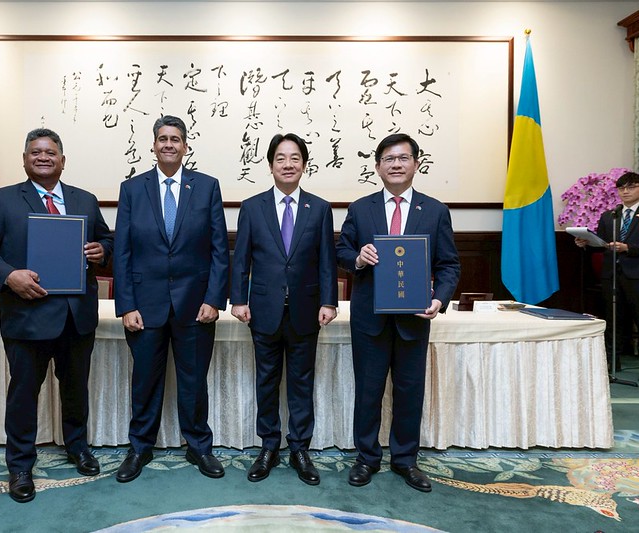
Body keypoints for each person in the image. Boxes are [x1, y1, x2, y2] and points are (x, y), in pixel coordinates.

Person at [0, 128, 113, 503]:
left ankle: (78, 448)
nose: (43, 157)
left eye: (51, 152)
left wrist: (101, 251)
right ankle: (20, 466)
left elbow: (107, 241)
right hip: (27, 318)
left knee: (76, 389)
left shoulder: (85, 199)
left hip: (76, 316)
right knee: (24, 394)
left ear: (63, 160)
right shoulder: (3, 201)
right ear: (25, 159)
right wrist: (8, 276)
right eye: (35, 152)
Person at [336, 132, 460, 492]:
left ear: (416, 164)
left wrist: (439, 299)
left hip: (414, 319)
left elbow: (449, 264)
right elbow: (342, 252)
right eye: (388, 159)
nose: (395, 165)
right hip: (369, 320)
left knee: (409, 391)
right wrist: (358, 258)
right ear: (377, 167)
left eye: (403, 158)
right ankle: (367, 458)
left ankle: (405, 460)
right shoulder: (361, 209)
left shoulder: (435, 211)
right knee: (369, 391)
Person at [113, 115, 230, 482]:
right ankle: (139, 449)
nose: (168, 144)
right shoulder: (132, 189)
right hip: (144, 308)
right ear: (153, 145)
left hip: (195, 307)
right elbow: (123, 253)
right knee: (145, 382)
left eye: (175, 139)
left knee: (194, 383)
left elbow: (218, 250)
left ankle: (199, 447)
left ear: (185, 146)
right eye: (162, 138)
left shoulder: (207, 187)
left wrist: (214, 299)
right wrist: (126, 304)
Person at [230, 133, 337, 485]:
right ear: (270, 164)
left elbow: (326, 260)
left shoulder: (319, 208)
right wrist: (239, 300)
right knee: (267, 381)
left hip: (306, 310)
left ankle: (300, 448)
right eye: (280, 158)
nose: (287, 164)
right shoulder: (253, 206)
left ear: (304, 165)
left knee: (301, 383)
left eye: (294, 158)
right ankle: (269, 446)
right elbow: (241, 257)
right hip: (263, 310)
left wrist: (329, 301)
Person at [575, 171, 639, 372]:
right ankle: (612, 363)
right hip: (612, 275)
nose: (625, 191)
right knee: (613, 320)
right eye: (621, 188)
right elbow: (602, 243)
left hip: (636, 275)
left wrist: (628, 248)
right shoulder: (610, 215)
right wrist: (585, 242)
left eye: (631, 187)